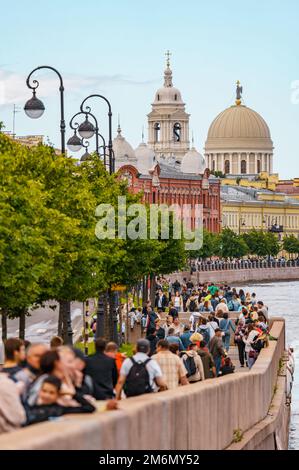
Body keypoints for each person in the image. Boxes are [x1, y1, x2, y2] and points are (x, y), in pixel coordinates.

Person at [24, 376, 96, 426]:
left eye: (51, 393)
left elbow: (89, 408)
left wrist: (72, 394)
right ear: (39, 391)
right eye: (44, 391)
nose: (46, 395)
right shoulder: (31, 408)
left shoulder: (60, 410)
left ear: (58, 395)